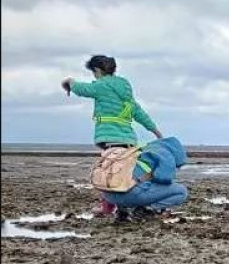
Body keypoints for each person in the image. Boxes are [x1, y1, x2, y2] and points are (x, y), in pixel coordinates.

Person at [62, 54, 162, 218]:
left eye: (93, 73)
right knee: (130, 173)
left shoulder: (101, 86)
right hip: (129, 139)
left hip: (109, 138)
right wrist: (156, 132)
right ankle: (136, 206)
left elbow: (82, 89)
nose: (94, 76)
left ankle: (111, 208)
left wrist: (69, 82)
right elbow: (139, 113)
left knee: (108, 172)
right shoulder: (126, 92)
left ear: (97, 70)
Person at [101, 136, 189, 219]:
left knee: (130, 180)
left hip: (109, 196)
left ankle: (122, 211)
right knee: (181, 191)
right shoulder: (165, 154)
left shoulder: (139, 149)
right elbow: (164, 178)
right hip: (130, 196)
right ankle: (147, 208)